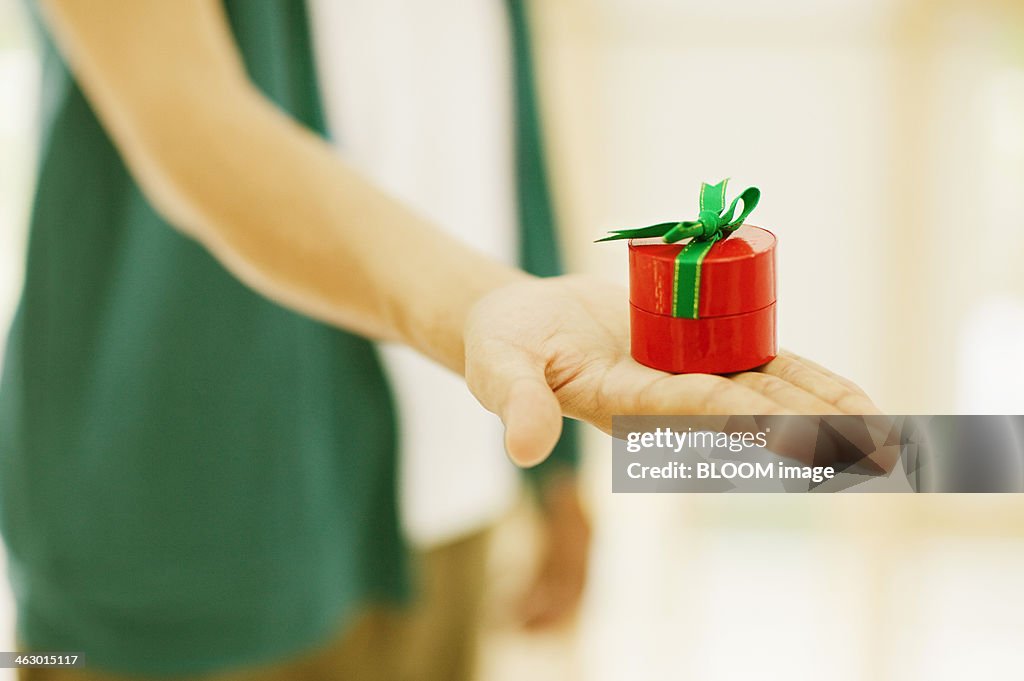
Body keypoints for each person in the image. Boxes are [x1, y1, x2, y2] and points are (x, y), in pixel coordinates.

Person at [0, 0, 880, 679]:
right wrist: (485, 310)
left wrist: (558, 467)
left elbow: (503, 130)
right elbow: (191, 118)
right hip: (180, 519)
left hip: (453, 491)